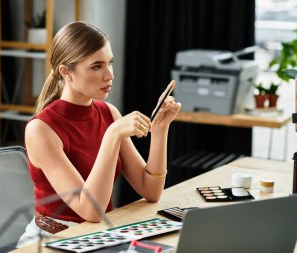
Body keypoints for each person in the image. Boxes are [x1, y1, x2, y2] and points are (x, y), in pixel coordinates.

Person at [17, 21, 181, 248]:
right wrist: (112, 136)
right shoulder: (41, 129)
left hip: (98, 235)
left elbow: (150, 190)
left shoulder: (108, 113)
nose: (109, 75)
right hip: (51, 242)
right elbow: (90, 210)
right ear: (66, 72)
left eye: (110, 63)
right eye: (96, 66)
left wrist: (161, 130)